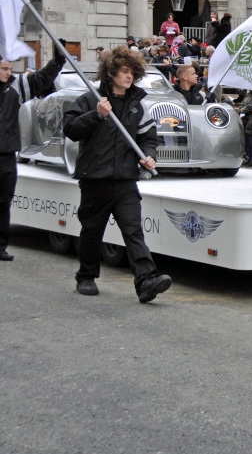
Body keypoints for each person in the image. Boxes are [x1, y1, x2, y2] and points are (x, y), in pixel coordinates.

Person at [62, 46, 172, 302]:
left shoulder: (137, 105)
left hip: (125, 180)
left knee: (133, 231)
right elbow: (70, 129)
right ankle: (86, 277)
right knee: (91, 231)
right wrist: (96, 115)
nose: (129, 76)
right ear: (110, 72)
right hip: (95, 179)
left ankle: (146, 280)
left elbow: (148, 137)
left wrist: (148, 154)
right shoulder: (90, 99)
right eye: (124, 71)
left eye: (132, 72)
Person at [0, 49, 66, 261]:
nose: (8, 73)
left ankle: (0, 247)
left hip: (7, 154)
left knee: (4, 202)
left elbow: (40, 80)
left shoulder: (16, 85)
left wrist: (57, 62)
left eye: (10, 69)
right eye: (3, 69)